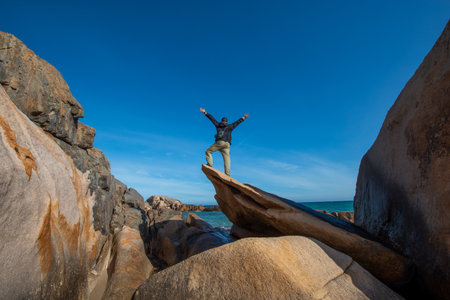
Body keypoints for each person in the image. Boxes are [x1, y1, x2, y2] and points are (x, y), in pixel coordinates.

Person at [200, 108, 249, 176]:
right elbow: (237, 123)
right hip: (227, 144)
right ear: (227, 121)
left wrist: (205, 112)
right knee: (227, 159)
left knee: (208, 151)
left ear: (222, 121)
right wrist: (243, 117)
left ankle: (209, 164)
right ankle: (227, 174)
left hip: (220, 142)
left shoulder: (218, 125)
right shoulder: (230, 126)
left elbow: (212, 119)